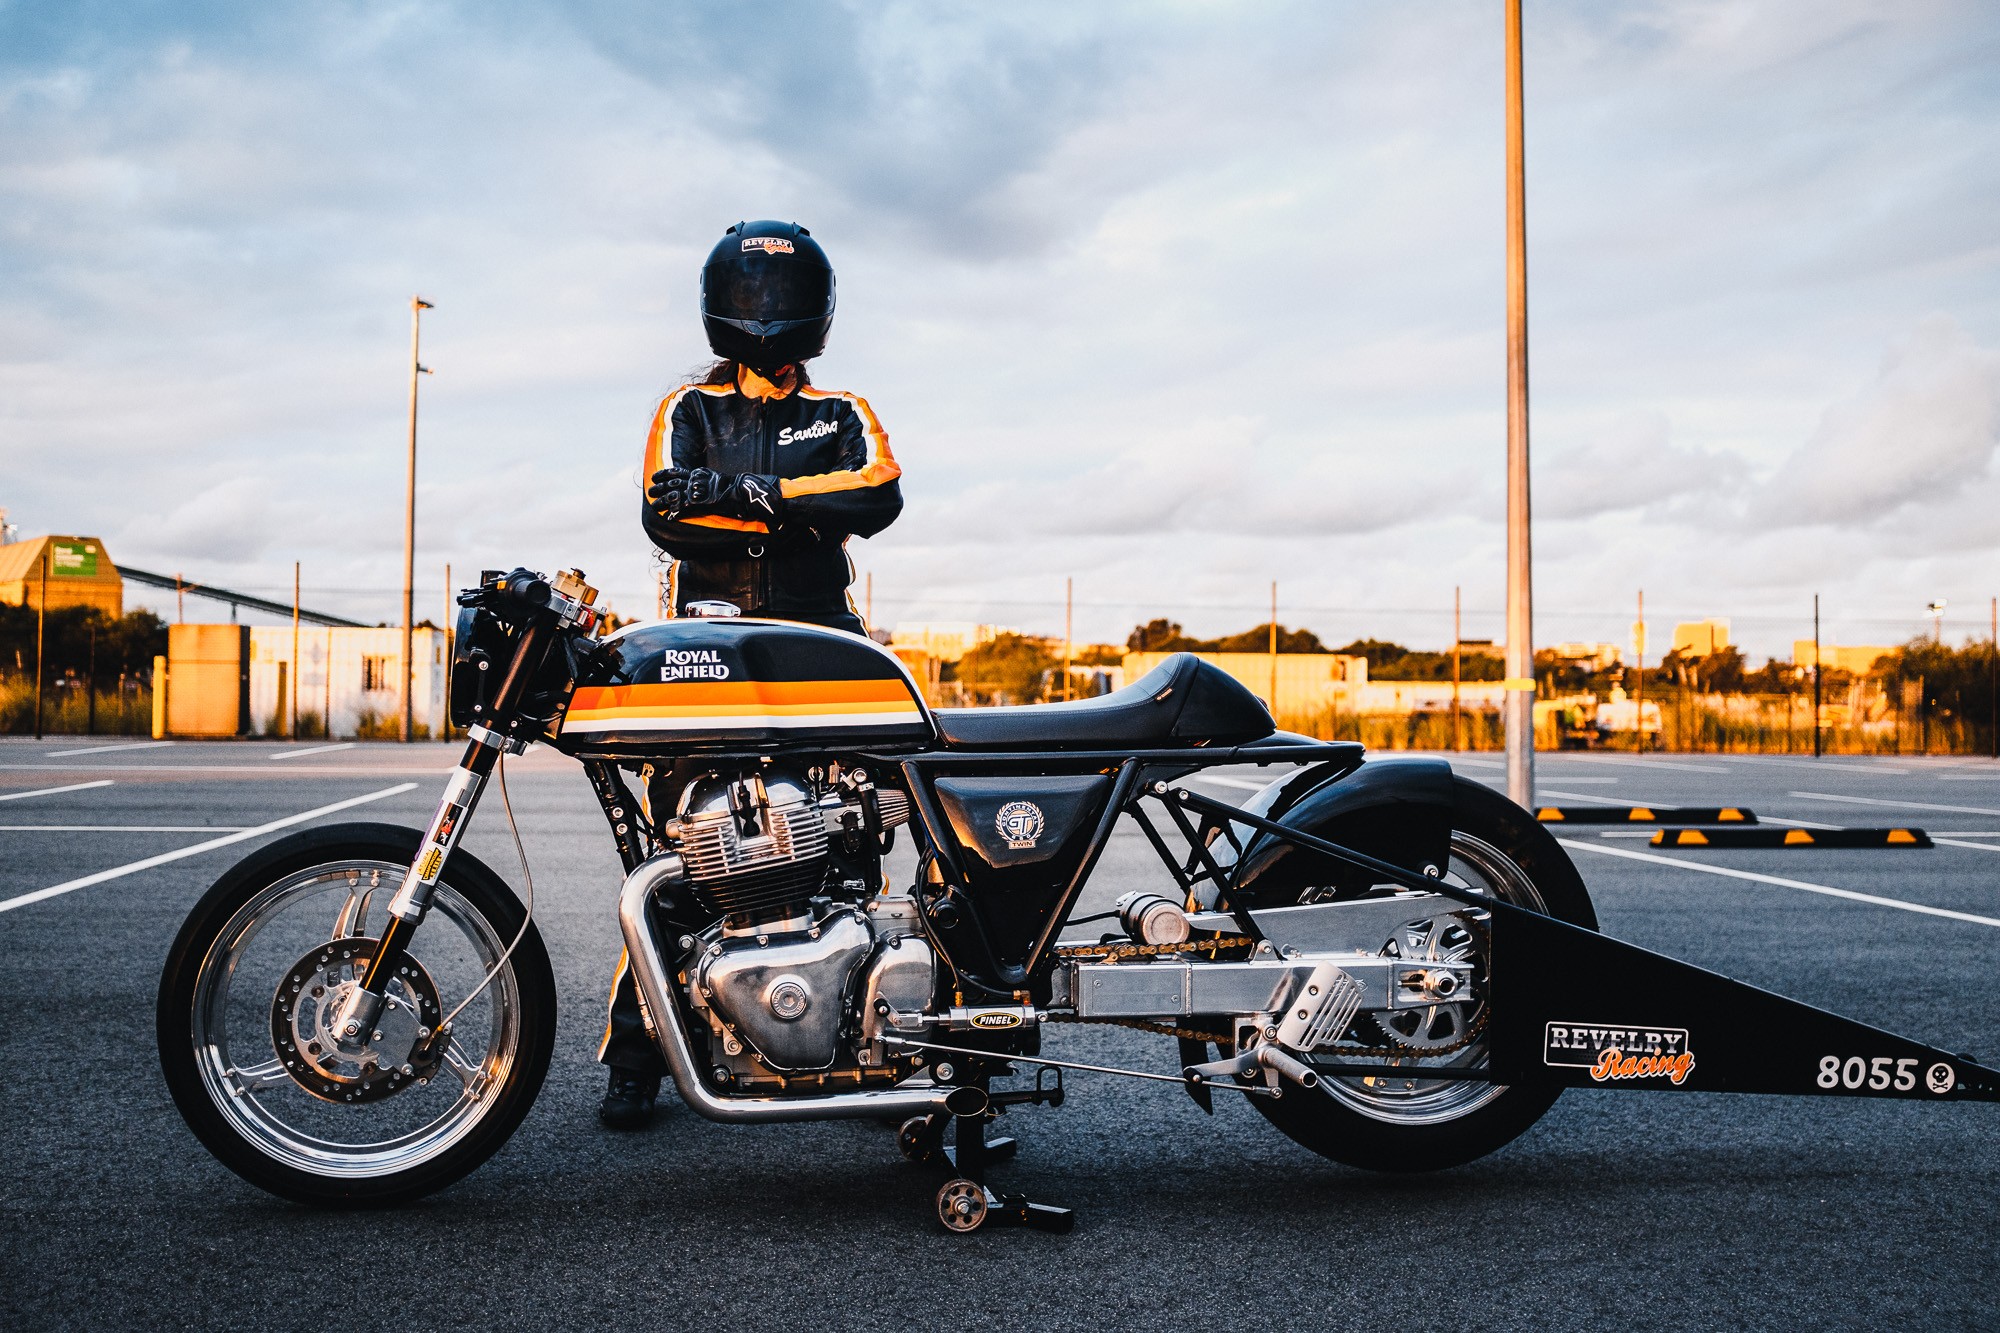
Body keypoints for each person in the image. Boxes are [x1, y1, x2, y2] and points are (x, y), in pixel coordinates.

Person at [599, 219, 904, 1129]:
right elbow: (667, 514)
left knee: (853, 843)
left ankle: (880, 1035)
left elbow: (879, 493)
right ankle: (637, 1049)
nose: (764, 313)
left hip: (827, 655)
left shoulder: (844, 408)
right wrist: (808, 508)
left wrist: (749, 496)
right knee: (682, 857)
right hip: (710, 659)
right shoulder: (686, 409)